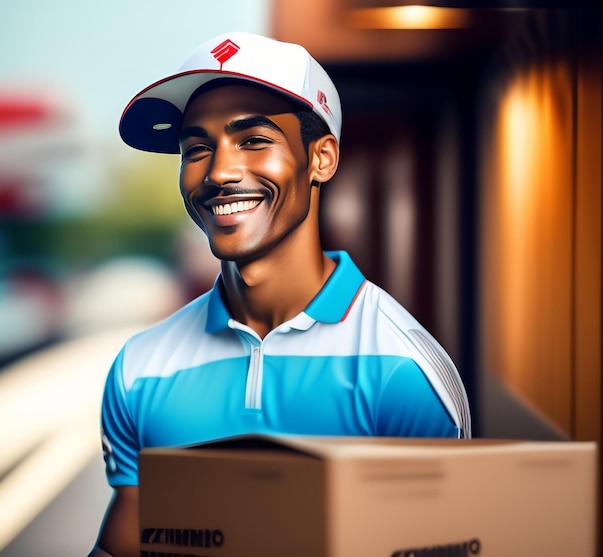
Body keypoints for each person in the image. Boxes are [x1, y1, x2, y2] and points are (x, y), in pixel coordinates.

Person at [88, 31, 471, 557]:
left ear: (322, 159)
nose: (219, 173)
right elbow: (127, 537)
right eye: (197, 148)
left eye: (253, 140)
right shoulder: (139, 367)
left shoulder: (403, 371)